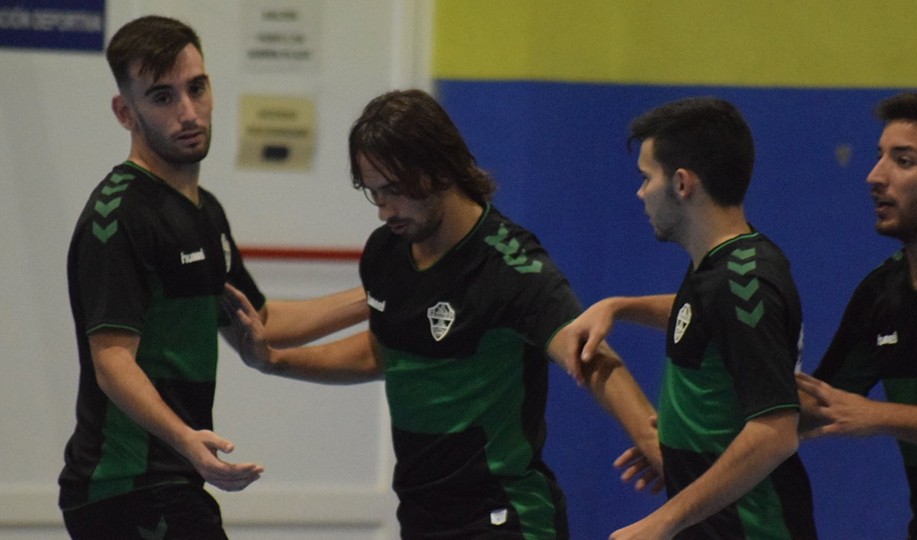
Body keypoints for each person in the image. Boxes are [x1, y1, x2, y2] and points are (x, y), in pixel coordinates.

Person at [223, 88, 663, 539]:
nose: (383, 211)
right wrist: (275, 361)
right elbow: (383, 353)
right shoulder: (386, 254)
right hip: (421, 518)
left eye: (394, 191)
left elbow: (588, 354)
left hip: (505, 517)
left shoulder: (510, 265)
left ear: (441, 169)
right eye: (373, 193)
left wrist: (652, 440)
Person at [59, 16, 367, 539]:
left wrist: (380, 292)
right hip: (125, 487)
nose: (187, 112)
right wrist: (186, 439)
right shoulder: (119, 215)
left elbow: (261, 322)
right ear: (124, 112)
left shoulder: (207, 213)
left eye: (196, 88)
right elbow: (112, 363)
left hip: (171, 483)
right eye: (161, 97)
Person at [565, 97, 817, 539]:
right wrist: (619, 307)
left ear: (682, 183)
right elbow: (702, 315)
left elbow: (775, 433)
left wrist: (662, 520)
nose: (640, 192)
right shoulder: (721, 268)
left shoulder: (746, 280)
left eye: (647, 178)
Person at [797, 92, 917, 539]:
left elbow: (860, 413)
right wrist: (696, 431)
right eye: (879, 158)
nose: (874, 177)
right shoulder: (880, 294)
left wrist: (878, 416)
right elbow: (821, 404)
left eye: (903, 161)